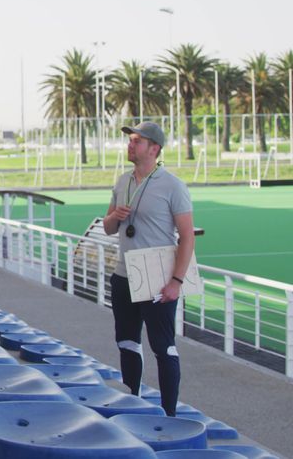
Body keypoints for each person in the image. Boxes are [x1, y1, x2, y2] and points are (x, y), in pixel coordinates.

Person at [102, 121, 195, 417]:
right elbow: (107, 227)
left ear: (154, 148)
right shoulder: (122, 181)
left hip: (157, 280)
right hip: (123, 276)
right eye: (130, 140)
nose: (130, 145)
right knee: (126, 342)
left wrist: (176, 281)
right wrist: (115, 216)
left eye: (137, 141)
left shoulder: (172, 185)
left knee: (163, 347)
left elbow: (187, 236)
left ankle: (169, 415)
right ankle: (133, 403)